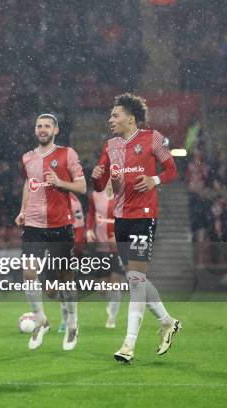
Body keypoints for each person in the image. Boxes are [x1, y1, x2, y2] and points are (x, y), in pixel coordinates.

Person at [91, 93, 180, 363]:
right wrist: (96, 179)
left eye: (115, 115)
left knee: (135, 280)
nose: (110, 120)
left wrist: (154, 180)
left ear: (131, 118)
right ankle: (166, 321)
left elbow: (172, 170)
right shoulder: (109, 146)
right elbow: (100, 184)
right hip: (121, 219)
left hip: (144, 216)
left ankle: (128, 345)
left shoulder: (152, 138)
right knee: (135, 278)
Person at [15, 113, 86, 351]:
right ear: (35, 130)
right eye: (39, 126)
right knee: (28, 273)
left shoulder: (68, 153)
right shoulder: (27, 157)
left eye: (47, 126)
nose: (42, 129)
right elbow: (29, 184)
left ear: (55, 130)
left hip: (61, 225)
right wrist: (22, 210)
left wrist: (60, 183)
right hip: (34, 225)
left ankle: (73, 324)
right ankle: (41, 321)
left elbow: (82, 186)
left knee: (66, 281)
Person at [86, 179, 123, 329]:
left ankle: (112, 318)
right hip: (100, 247)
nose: (109, 183)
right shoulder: (95, 196)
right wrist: (89, 230)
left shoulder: (122, 198)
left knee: (114, 284)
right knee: (101, 288)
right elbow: (90, 214)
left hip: (117, 248)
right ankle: (111, 302)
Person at [58, 193, 85, 334]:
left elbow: (79, 229)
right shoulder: (49, 197)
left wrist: (75, 250)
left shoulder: (74, 201)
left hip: (69, 250)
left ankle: (70, 319)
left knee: (67, 285)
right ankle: (65, 318)